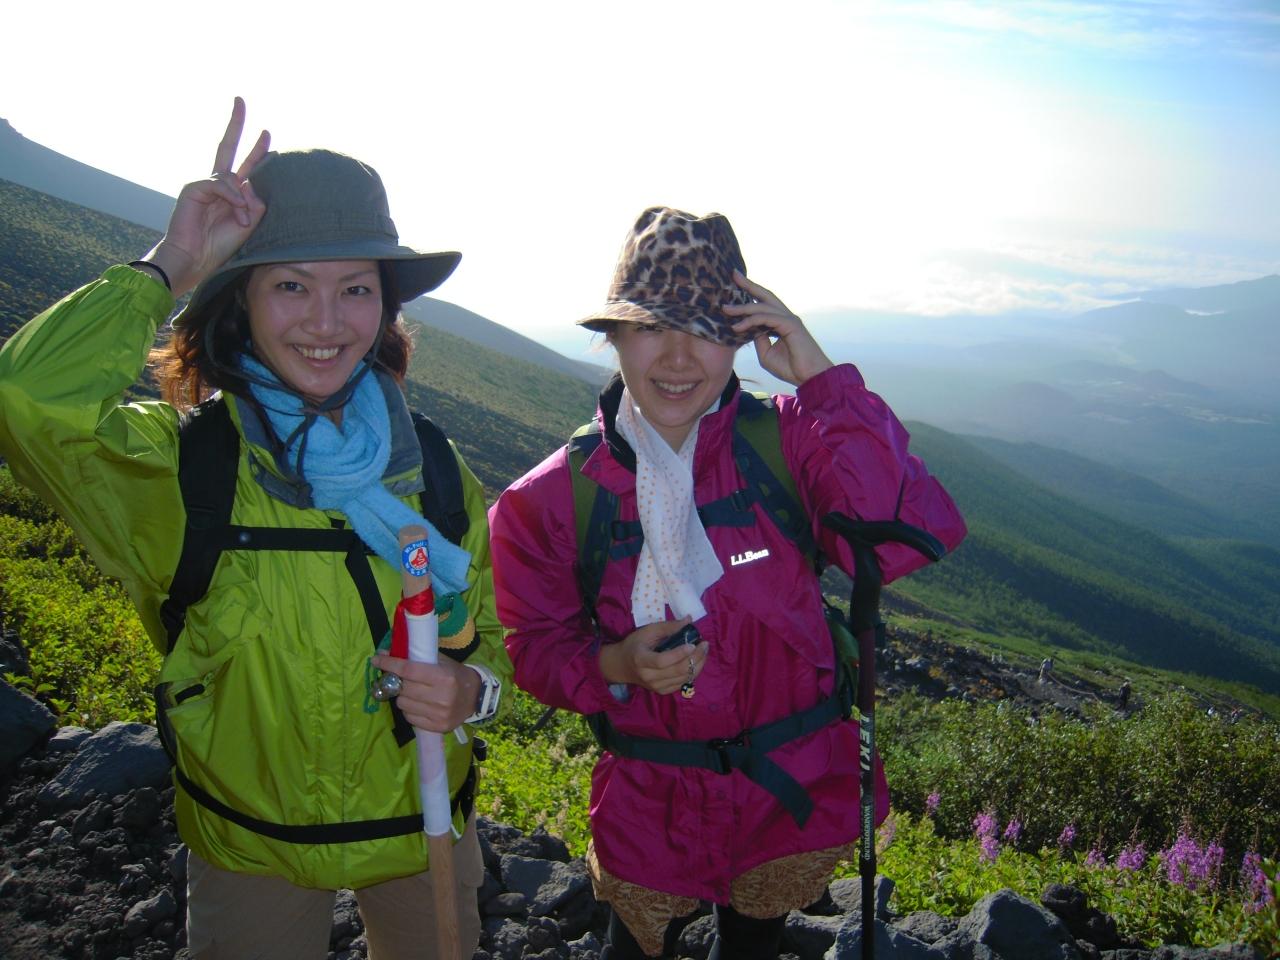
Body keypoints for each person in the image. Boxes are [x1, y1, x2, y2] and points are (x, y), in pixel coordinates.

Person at [0, 98, 510, 959]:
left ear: (385, 309)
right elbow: (27, 397)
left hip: (420, 824)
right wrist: (174, 262)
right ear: (240, 299)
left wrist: (473, 691)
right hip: (249, 846)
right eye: (290, 285)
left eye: (356, 288)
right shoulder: (179, 468)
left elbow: (489, 637)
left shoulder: (431, 467)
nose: (326, 321)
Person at [487, 207, 967, 959]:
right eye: (652, 327)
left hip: (785, 790)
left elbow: (898, 535)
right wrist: (615, 665)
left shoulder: (793, 439)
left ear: (742, 338)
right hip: (652, 799)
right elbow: (533, 645)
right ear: (613, 337)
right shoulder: (551, 498)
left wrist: (823, 380)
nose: (679, 357)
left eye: (707, 329)